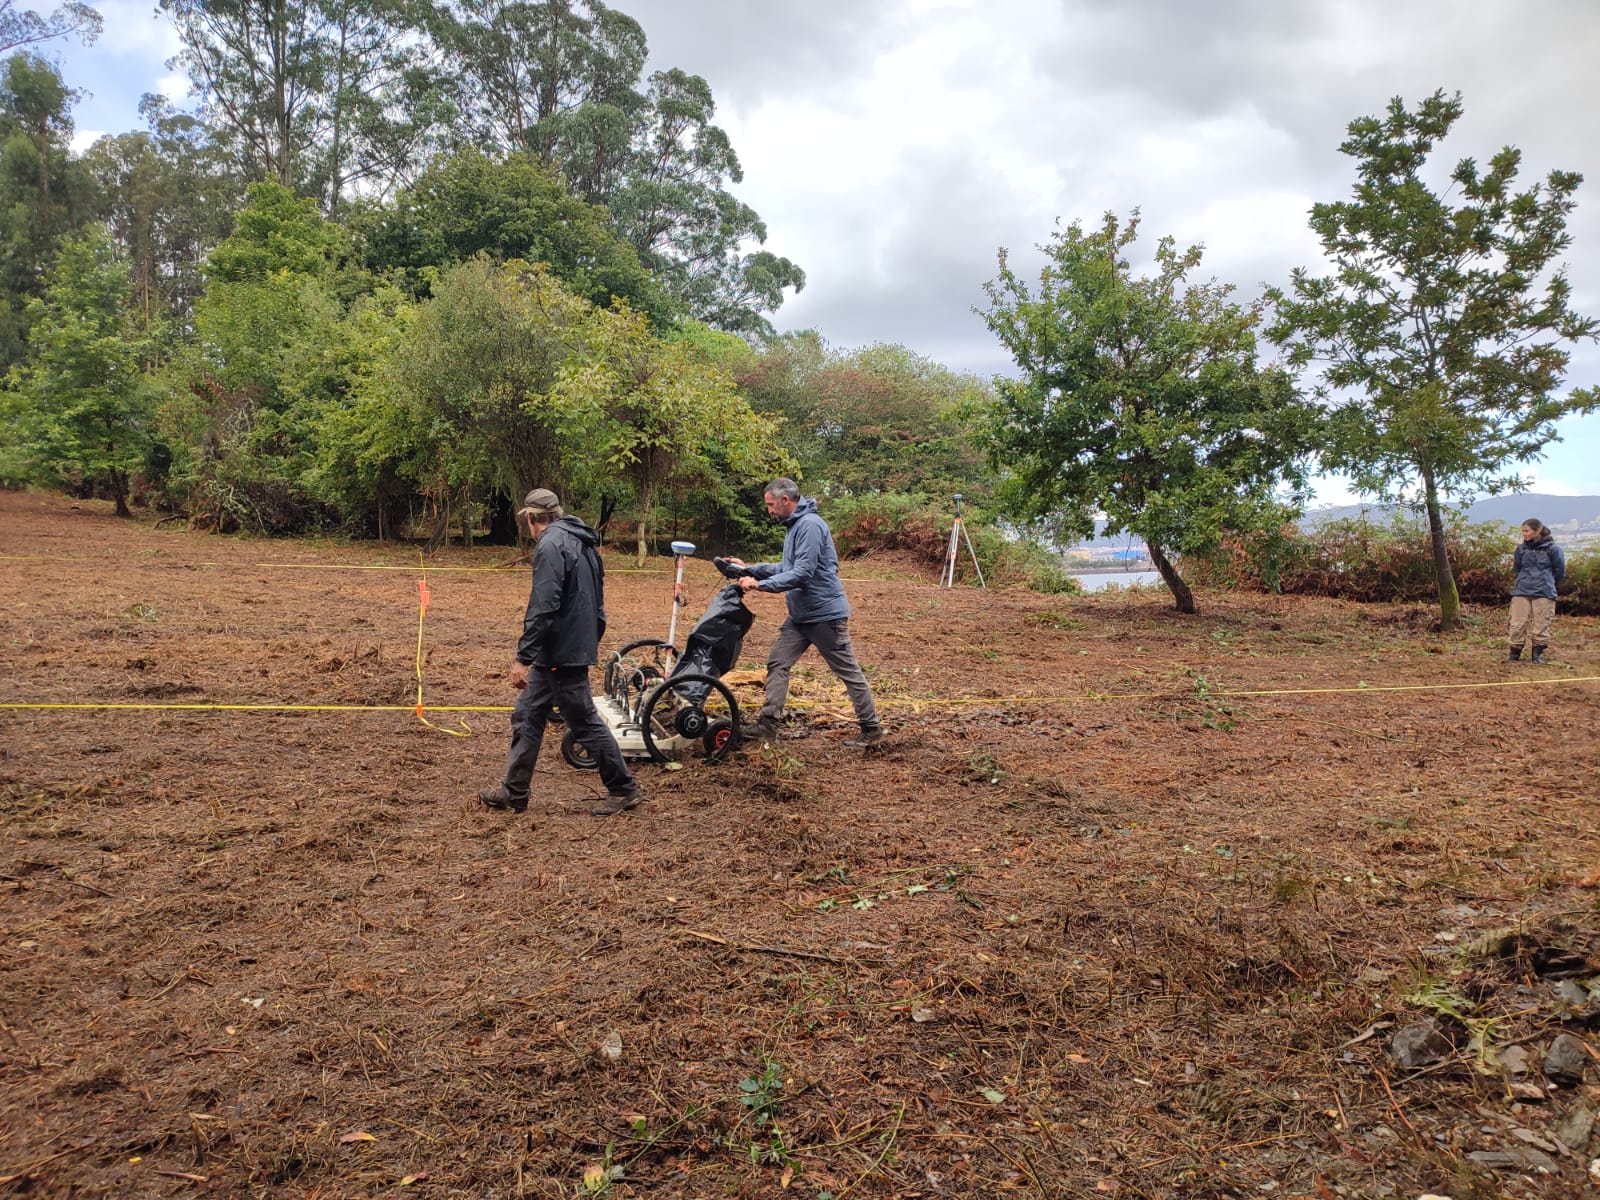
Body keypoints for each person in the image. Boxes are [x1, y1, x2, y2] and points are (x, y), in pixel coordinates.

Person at [479, 488, 641, 816]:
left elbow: (544, 604)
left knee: (583, 721)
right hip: (566, 648)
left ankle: (624, 788)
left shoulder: (552, 545)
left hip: (561, 652)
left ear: (532, 519)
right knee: (527, 715)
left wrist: (524, 657)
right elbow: (597, 602)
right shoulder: (582, 542)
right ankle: (515, 792)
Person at [724, 478, 884, 748]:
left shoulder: (809, 526)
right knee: (778, 662)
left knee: (848, 672)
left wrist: (760, 585)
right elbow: (784, 567)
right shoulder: (795, 526)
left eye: (771, 505)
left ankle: (872, 729)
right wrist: (748, 569)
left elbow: (802, 573)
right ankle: (767, 725)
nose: (769, 511)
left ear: (786, 501)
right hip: (800, 617)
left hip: (825, 616)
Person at [1506, 517, 1565, 663]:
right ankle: (1514, 653)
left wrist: (1548, 582)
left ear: (1537, 530)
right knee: (1517, 623)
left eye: (1527, 531)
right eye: (1523, 531)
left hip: (1544, 590)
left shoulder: (1553, 549)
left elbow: (1559, 571)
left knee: (1541, 623)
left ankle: (1537, 654)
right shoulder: (1521, 549)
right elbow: (1517, 568)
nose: (1524, 534)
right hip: (1522, 590)